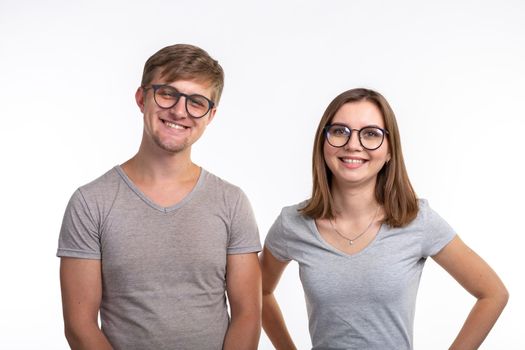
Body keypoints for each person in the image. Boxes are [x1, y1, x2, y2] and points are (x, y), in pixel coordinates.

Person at [260, 88, 508, 349]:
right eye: (339, 131)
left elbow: (493, 294)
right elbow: (258, 293)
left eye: (371, 134)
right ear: (323, 143)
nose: (353, 144)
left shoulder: (418, 221)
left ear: (390, 151)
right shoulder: (292, 224)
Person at [57, 44, 262, 350]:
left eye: (196, 102)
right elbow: (79, 326)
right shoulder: (90, 203)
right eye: (167, 93)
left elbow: (248, 315)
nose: (179, 111)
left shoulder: (231, 202)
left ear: (211, 115)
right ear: (142, 98)